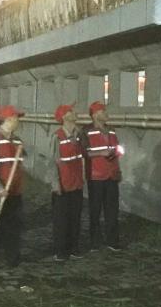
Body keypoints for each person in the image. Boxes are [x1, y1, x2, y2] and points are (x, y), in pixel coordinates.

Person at [0, 105, 26, 268]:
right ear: (8, 119)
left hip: (15, 191)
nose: (18, 121)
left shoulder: (17, 141)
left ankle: (12, 257)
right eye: (16, 118)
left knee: (14, 226)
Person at [82, 101, 123, 251]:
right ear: (94, 115)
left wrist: (117, 157)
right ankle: (95, 241)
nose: (106, 114)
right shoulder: (86, 131)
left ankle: (112, 240)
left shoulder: (111, 130)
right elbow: (84, 151)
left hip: (112, 174)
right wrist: (101, 153)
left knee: (112, 209)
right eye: (102, 111)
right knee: (95, 210)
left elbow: (117, 148)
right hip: (95, 176)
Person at [48, 103, 84, 261]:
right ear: (63, 117)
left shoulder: (78, 134)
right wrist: (55, 184)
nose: (74, 113)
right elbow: (52, 162)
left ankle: (74, 248)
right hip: (62, 184)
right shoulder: (57, 137)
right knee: (61, 220)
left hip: (76, 183)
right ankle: (61, 251)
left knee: (75, 217)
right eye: (70, 111)